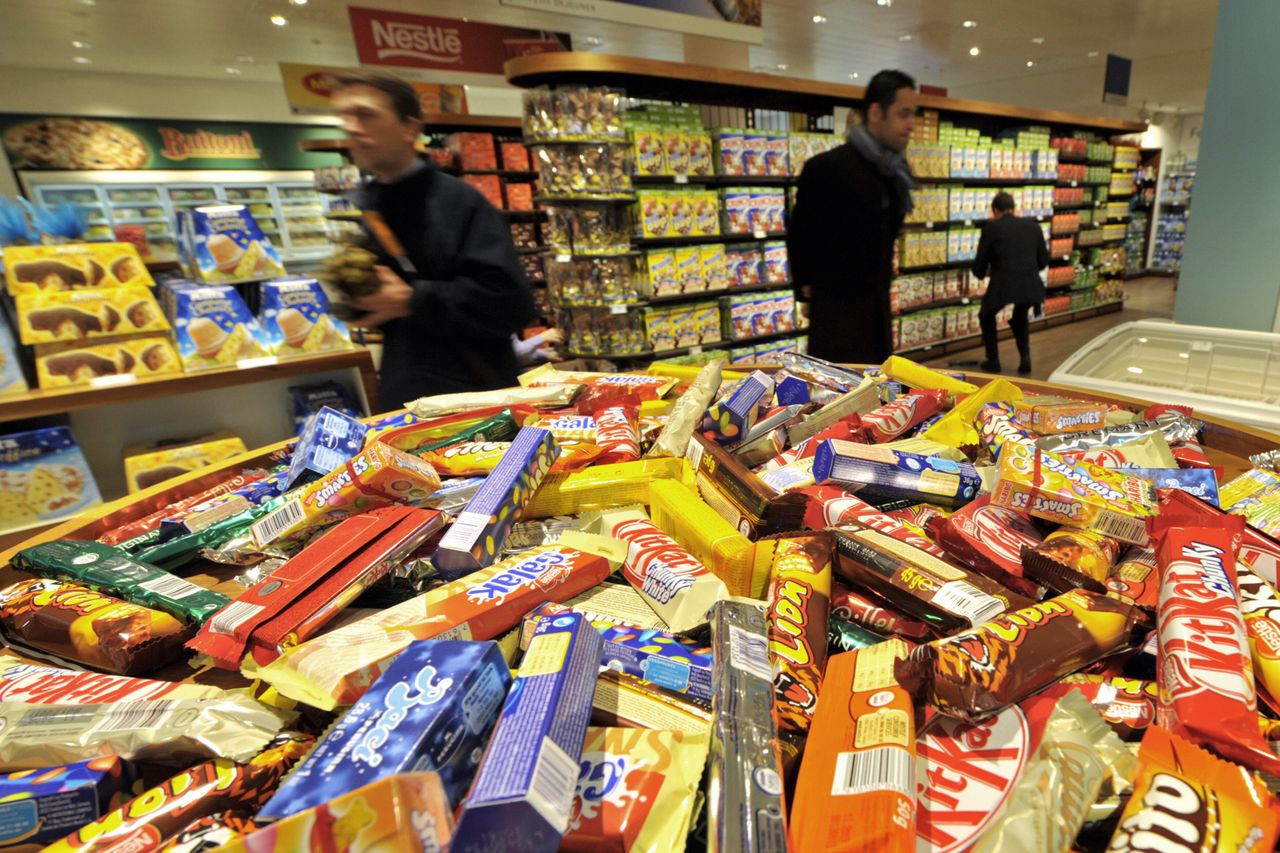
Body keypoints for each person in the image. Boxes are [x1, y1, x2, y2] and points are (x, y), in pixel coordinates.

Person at [331, 70, 535, 407]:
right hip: (406, 396)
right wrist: (353, 296)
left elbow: (512, 302)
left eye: (365, 114)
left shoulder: (459, 203)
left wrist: (412, 299)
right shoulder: (371, 205)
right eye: (344, 116)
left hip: (475, 404)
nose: (351, 127)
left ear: (409, 128)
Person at [788, 69, 918, 365]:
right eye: (904, 114)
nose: (912, 125)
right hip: (837, 319)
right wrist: (808, 295)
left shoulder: (895, 173)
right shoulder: (825, 169)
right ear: (876, 112)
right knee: (833, 402)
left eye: (914, 114)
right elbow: (801, 237)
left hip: (878, 314)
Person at [972, 191, 1049, 375]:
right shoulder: (1033, 227)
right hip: (1031, 284)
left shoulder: (992, 228)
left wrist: (980, 273)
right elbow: (1043, 261)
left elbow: (981, 262)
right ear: (1013, 208)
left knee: (986, 315)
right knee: (1020, 316)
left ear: (995, 210)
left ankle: (993, 360)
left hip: (1003, 283)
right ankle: (1025, 358)